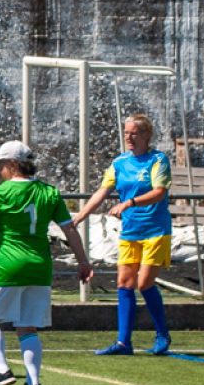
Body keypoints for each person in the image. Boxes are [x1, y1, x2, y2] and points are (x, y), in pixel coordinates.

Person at [0, 140, 94, 385]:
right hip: (39, 266)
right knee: (27, 327)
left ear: (11, 164)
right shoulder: (49, 193)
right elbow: (69, 229)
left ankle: (1, 369)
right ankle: (33, 384)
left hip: (7, 264)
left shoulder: (1, 193)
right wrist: (83, 261)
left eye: (0, 166)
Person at [73, 113, 173, 355]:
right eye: (126, 133)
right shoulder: (119, 163)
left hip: (155, 230)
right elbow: (102, 191)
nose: (128, 137)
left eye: (134, 133)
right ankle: (123, 342)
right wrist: (79, 216)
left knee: (144, 282)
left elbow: (159, 192)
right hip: (130, 231)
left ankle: (162, 334)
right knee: (124, 283)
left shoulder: (158, 160)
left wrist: (129, 203)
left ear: (146, 135)